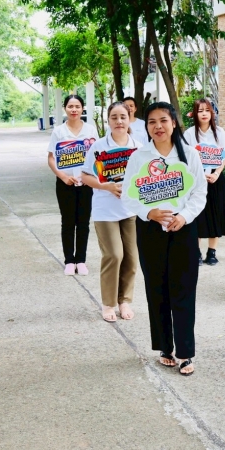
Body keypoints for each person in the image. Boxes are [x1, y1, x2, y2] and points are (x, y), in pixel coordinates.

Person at [122, 102, 207, 376]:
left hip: (183, 229)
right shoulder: (139, 157)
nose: (158, 126)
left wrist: (184, 216)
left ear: (174, 123)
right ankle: (164, 347)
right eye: (151, 122)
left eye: (163, 120)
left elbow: (200, 193)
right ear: (146, 127)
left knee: (184, 290)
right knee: (157, 290)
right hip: (150, 231)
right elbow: (128, 195)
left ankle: (185, 352)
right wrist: (149, 213)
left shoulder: (190, 155)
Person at [82, 102, 141, 322]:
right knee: (114, 255)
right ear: (108, 120)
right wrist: (106, 186)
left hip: (131, 210)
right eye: (114, 117)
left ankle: (124, 300)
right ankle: (108, 303)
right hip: (105, 211)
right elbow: (85, 176)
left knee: (131, 258)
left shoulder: (138, 147)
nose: (119, 121)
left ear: (129, 118)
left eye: (123, 117)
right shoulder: (98, 147)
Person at [47, 94, 99, 275]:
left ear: (82, 108)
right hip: (65, 183)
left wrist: (89, 177)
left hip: (86, 183)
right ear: (65, 109)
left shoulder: (91, 130)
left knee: (83, 222)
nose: (74, 110)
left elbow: (97, 157)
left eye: (77, 106)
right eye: (70, 106)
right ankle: (69, 260)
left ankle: (81, 260)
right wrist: (63, 177)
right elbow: (51, 158)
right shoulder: (59, 132)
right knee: (68, 222)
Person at [183, 98, 225, 266]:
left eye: (207, 110)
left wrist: (217, 173)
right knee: (197, 215)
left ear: (212, 113)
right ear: (195, 114)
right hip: (196, 180)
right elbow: (185, 157)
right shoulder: (189, 134)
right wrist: (197, 174)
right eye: (200, 111)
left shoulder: (219, 132)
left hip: (215, 179)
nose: (204, 114)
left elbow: (224, 154)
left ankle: (212, 252)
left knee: (215, 214)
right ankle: (196, 252)